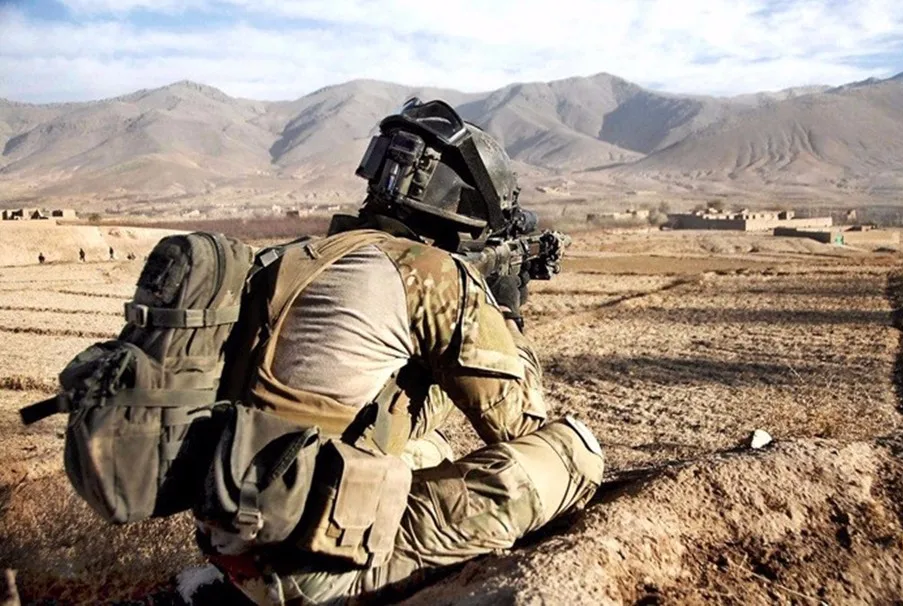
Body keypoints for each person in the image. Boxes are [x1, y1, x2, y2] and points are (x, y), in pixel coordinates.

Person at [195, 99, 604, 604]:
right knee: (575, 452)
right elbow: (520, 425)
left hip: (234, 539)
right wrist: (507, 312)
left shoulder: (294, 258)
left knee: (431, 450)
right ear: (466, 207)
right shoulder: (431, 272)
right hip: (313, 573)